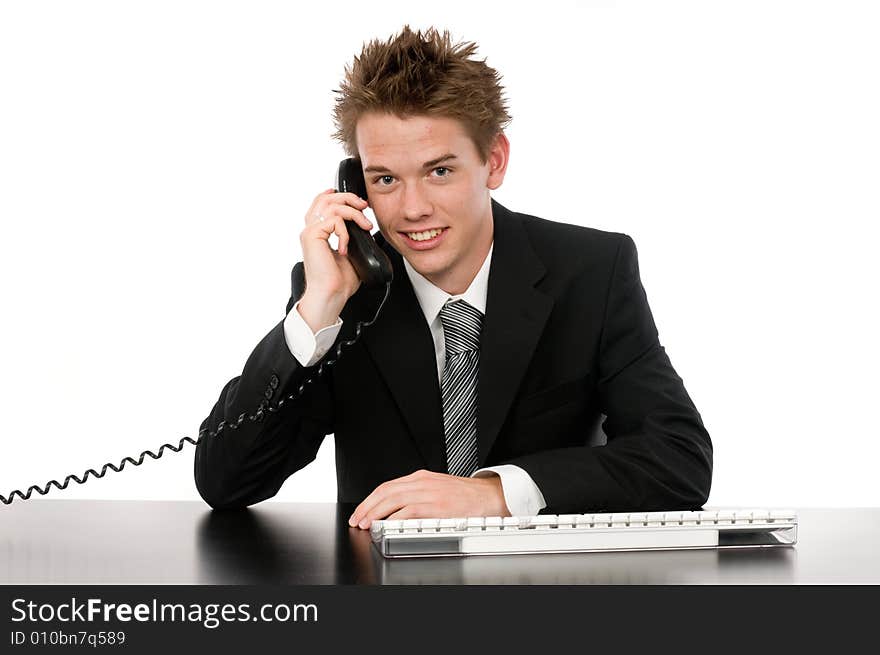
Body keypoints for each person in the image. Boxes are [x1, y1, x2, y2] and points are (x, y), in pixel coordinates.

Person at [194, 26, 712, 529]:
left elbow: (679, 459)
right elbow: (226, 482)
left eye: (439, 171)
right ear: (355, 184)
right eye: (386, 180)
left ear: (495, 161)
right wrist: (317, 311)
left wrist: (494, 492)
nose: (412, 209)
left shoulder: (592, 271)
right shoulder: (345, 294)